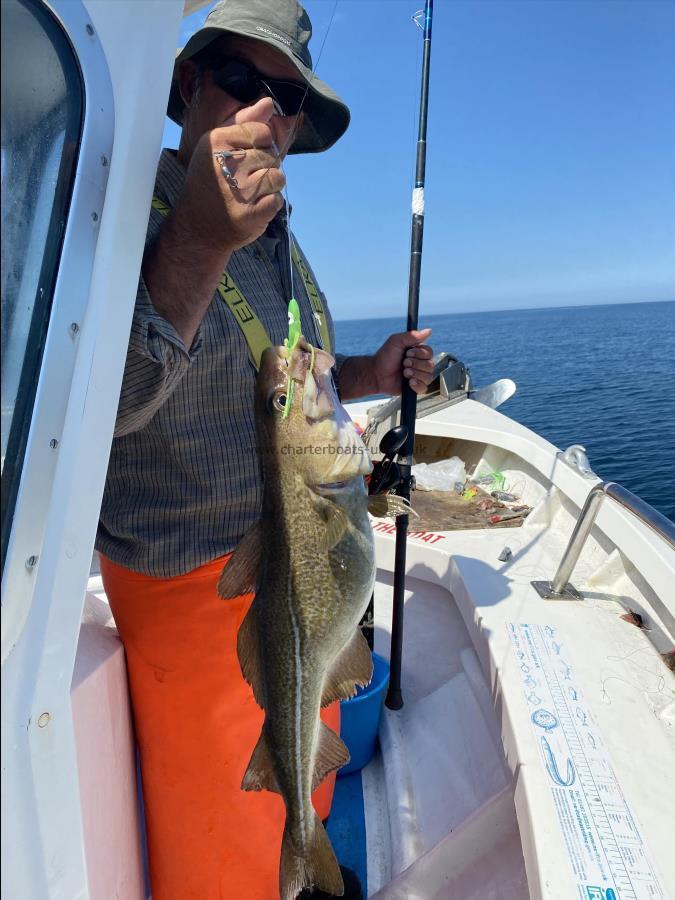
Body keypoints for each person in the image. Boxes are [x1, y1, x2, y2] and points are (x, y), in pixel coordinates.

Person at [96, 1, 434, 898]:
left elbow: (294, 377)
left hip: (301, 564)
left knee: (303, 774)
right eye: (243, 81)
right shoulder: (121, 210)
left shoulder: (279, 237)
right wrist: (202, 234)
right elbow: (105, 409)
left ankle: (307, 871)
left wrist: (372, 367)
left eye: (284, 97)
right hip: (190, 587)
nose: (265, 112)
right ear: (185, 85)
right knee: (222, 841)